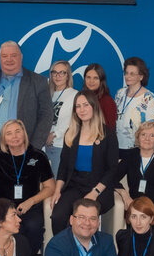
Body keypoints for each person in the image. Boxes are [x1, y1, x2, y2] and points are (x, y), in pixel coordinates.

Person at [0, 119, 56, 256]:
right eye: (9, 133)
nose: (14, 136)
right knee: (8, 227)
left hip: (30, 206)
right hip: (3, 208)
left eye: (18, 131)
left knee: (33, 226)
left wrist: (31, 201)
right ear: (4, 139)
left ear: (24, 133)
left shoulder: (38, 156)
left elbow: (50, 187)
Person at [50, 90, 119, 234]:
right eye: (78, 106)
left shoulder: (108, 134)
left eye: (86, 105)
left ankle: (87, 248)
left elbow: (112, 169)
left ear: (94, 107)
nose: (82, 110)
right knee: (58, 216)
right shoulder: (71, 133)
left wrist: (95, 192)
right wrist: (57, 190)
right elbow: (63, 166)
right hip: (75, 185)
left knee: (85, 217)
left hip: (99, 187)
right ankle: (63, 248)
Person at [0, 41, 52, 158]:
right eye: (4, 56)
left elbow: (46, 115)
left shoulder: (38, 82)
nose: (9, 59)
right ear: (0, 58)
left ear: (21, 57)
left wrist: (34, 148)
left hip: (24, 146)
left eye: (13, 55)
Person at [114, 122, 154, 228]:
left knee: (147, 220)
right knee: (135, 219)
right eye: (143, 134)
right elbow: (112, 177)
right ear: (138, 137)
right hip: (135, 203)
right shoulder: (130, 156)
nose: (147, 138)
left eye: (152, 135)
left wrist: (142, 203)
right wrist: (124, 194)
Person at [114, 57, 154, 155]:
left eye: (132, 74)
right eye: (126, 73)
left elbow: (152, 127)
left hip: (137, 149)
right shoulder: (120, 93)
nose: (127, 76)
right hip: (116, 146)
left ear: (141, 77)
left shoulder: (149, 98)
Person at [45, 60, 78, 176]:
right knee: (45, 182)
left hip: (61, 145)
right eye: (54, 72)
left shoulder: (74, 95)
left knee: (58, 180)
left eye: (62, 72)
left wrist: (55, 134)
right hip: (45, 145)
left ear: (68, 75)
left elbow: (75, 122)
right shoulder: (47, 94)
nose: (57, 76)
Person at [83, 63, 117, 128]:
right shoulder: (82, 98)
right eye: (88, 77)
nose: (91, 81)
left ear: (101, 80)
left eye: (95, 78)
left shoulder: (107, 101)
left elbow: (111, 128)